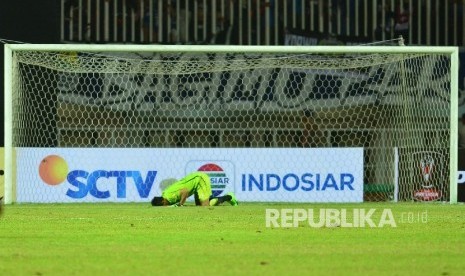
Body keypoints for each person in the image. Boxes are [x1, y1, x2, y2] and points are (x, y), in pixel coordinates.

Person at [151, 171, 238, 207]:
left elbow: (184, 191)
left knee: (205, 206)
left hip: (200, 179)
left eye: (163, 206)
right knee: (199, 206)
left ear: (163, 202)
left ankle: (229, 196)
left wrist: (180, 204)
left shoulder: (170, 196)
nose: (165, 207)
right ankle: (209, 199)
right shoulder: (165, 196)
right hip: (195, 183)